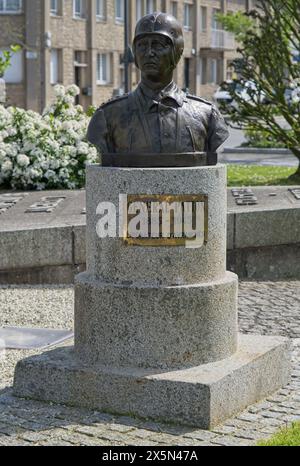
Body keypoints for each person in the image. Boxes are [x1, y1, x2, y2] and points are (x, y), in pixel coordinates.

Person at [87, 12, 229, 160]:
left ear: (177, 52)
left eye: (158, 45)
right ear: (135, 54)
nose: (149, 53)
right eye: (142, 45)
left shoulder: (206, 115)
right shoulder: (108, 116)